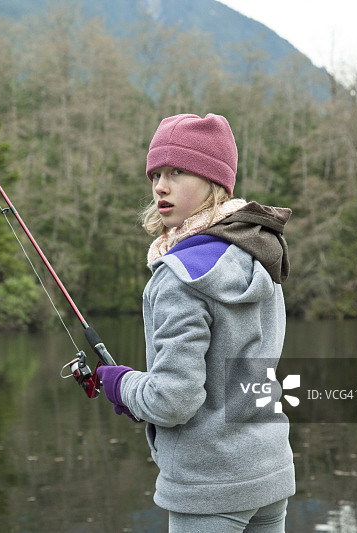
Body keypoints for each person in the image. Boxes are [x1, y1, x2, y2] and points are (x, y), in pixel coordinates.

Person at [96, 113, 295, 533]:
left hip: (209, 489)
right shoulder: (261, 255)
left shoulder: (178, 276)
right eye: (156, 174)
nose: (160, 186)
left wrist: (121, 385)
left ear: (215, 183)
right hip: (271, 474)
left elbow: (173, 400)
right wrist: (140, 396)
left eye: (179, 172)